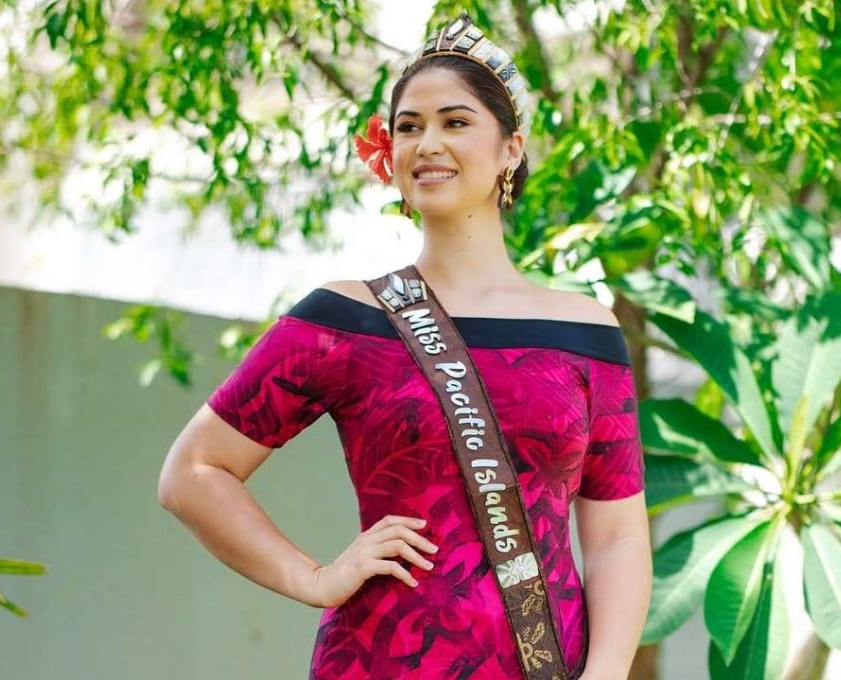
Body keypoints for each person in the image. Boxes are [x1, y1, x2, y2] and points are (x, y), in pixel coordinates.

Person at [158, 13, 650, 680]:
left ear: (510, 148)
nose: (428, 143)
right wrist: (316, 577)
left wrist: (607, 673)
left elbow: (617, 535)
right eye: (409, 127)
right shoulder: (342, 321)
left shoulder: (585, 333)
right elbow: (193, 472)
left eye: (455, 122)